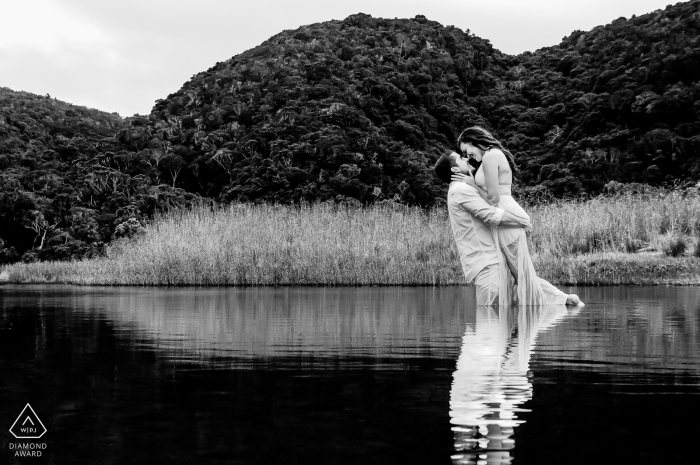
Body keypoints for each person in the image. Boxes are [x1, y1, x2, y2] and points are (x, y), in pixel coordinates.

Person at [451, 126, 581, 306]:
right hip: (503, 213)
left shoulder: (490, 156)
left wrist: (473, 184)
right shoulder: (489, 157)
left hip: (504, 210)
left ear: (475, 141)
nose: (467, 156)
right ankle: (564, 302)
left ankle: (561, 305)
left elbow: (494, 198)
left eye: (467, 151)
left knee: (522, 275)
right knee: (519, 274)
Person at [434, 150, 531, 305]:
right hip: (488, 265)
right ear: (454, 169)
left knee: (489, 317)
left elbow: (491, 212)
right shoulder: (460, 190)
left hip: (489, 264)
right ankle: (565, 301)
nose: (466, 158)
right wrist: (522, 221)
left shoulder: (462, 188)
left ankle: (565, 301)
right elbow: (491, 215)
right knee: (491, 317)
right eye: (460, 158)